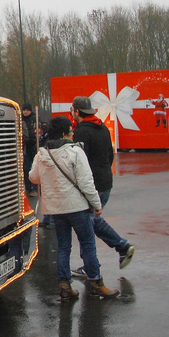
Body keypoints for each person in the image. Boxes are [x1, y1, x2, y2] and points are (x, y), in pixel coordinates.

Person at [30, 116, 118, 299]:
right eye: (70, 130)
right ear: (64, 133)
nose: (72, 133)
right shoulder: (75, 152)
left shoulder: (42, 154)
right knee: (87, 244)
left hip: (55, 209)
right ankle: (96, 282)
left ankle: (64, 285)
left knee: (63, 246)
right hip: (76, 207)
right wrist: (96, 204)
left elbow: (33, 178)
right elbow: (86, 182)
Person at [70, 96, 137, 275]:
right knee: (91, 221)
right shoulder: (103, 127)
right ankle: (120, 247)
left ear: (76, 111)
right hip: (105, 180)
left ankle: (93, 265)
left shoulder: (82, 132)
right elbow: (110, 154)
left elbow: (79, 162)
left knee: (87, 225)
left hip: (92, 184)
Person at [22, 105, 38, 192]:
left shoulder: (34, 119)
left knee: (34, 166)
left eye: (27, 110)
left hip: (34, 145)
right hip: (26, 147)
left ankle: (35, 188)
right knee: (26, 167)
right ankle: (28, 188)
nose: (25, 112)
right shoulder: (21, 119)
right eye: (24, 110)